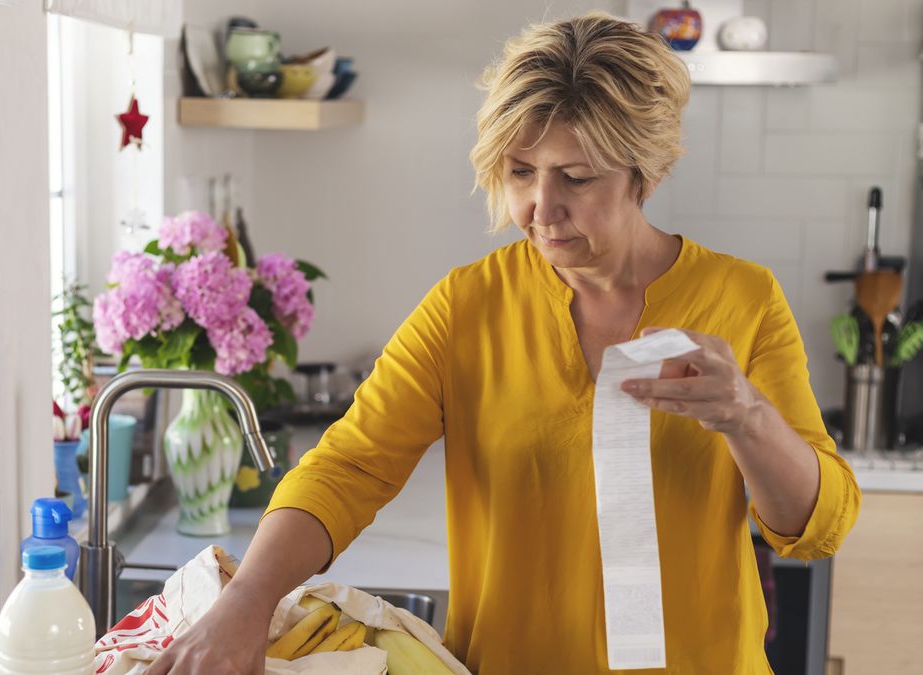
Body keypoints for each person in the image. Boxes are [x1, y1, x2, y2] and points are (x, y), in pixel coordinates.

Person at [149, 11, 860, 674]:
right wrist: (246, 600)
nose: (539, 210)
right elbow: (348, 466)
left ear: (648, 172)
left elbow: (817, 527)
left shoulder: (743, 297)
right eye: (521, 173)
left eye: (575, 178)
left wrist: (746, 415)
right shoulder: (469, 305)